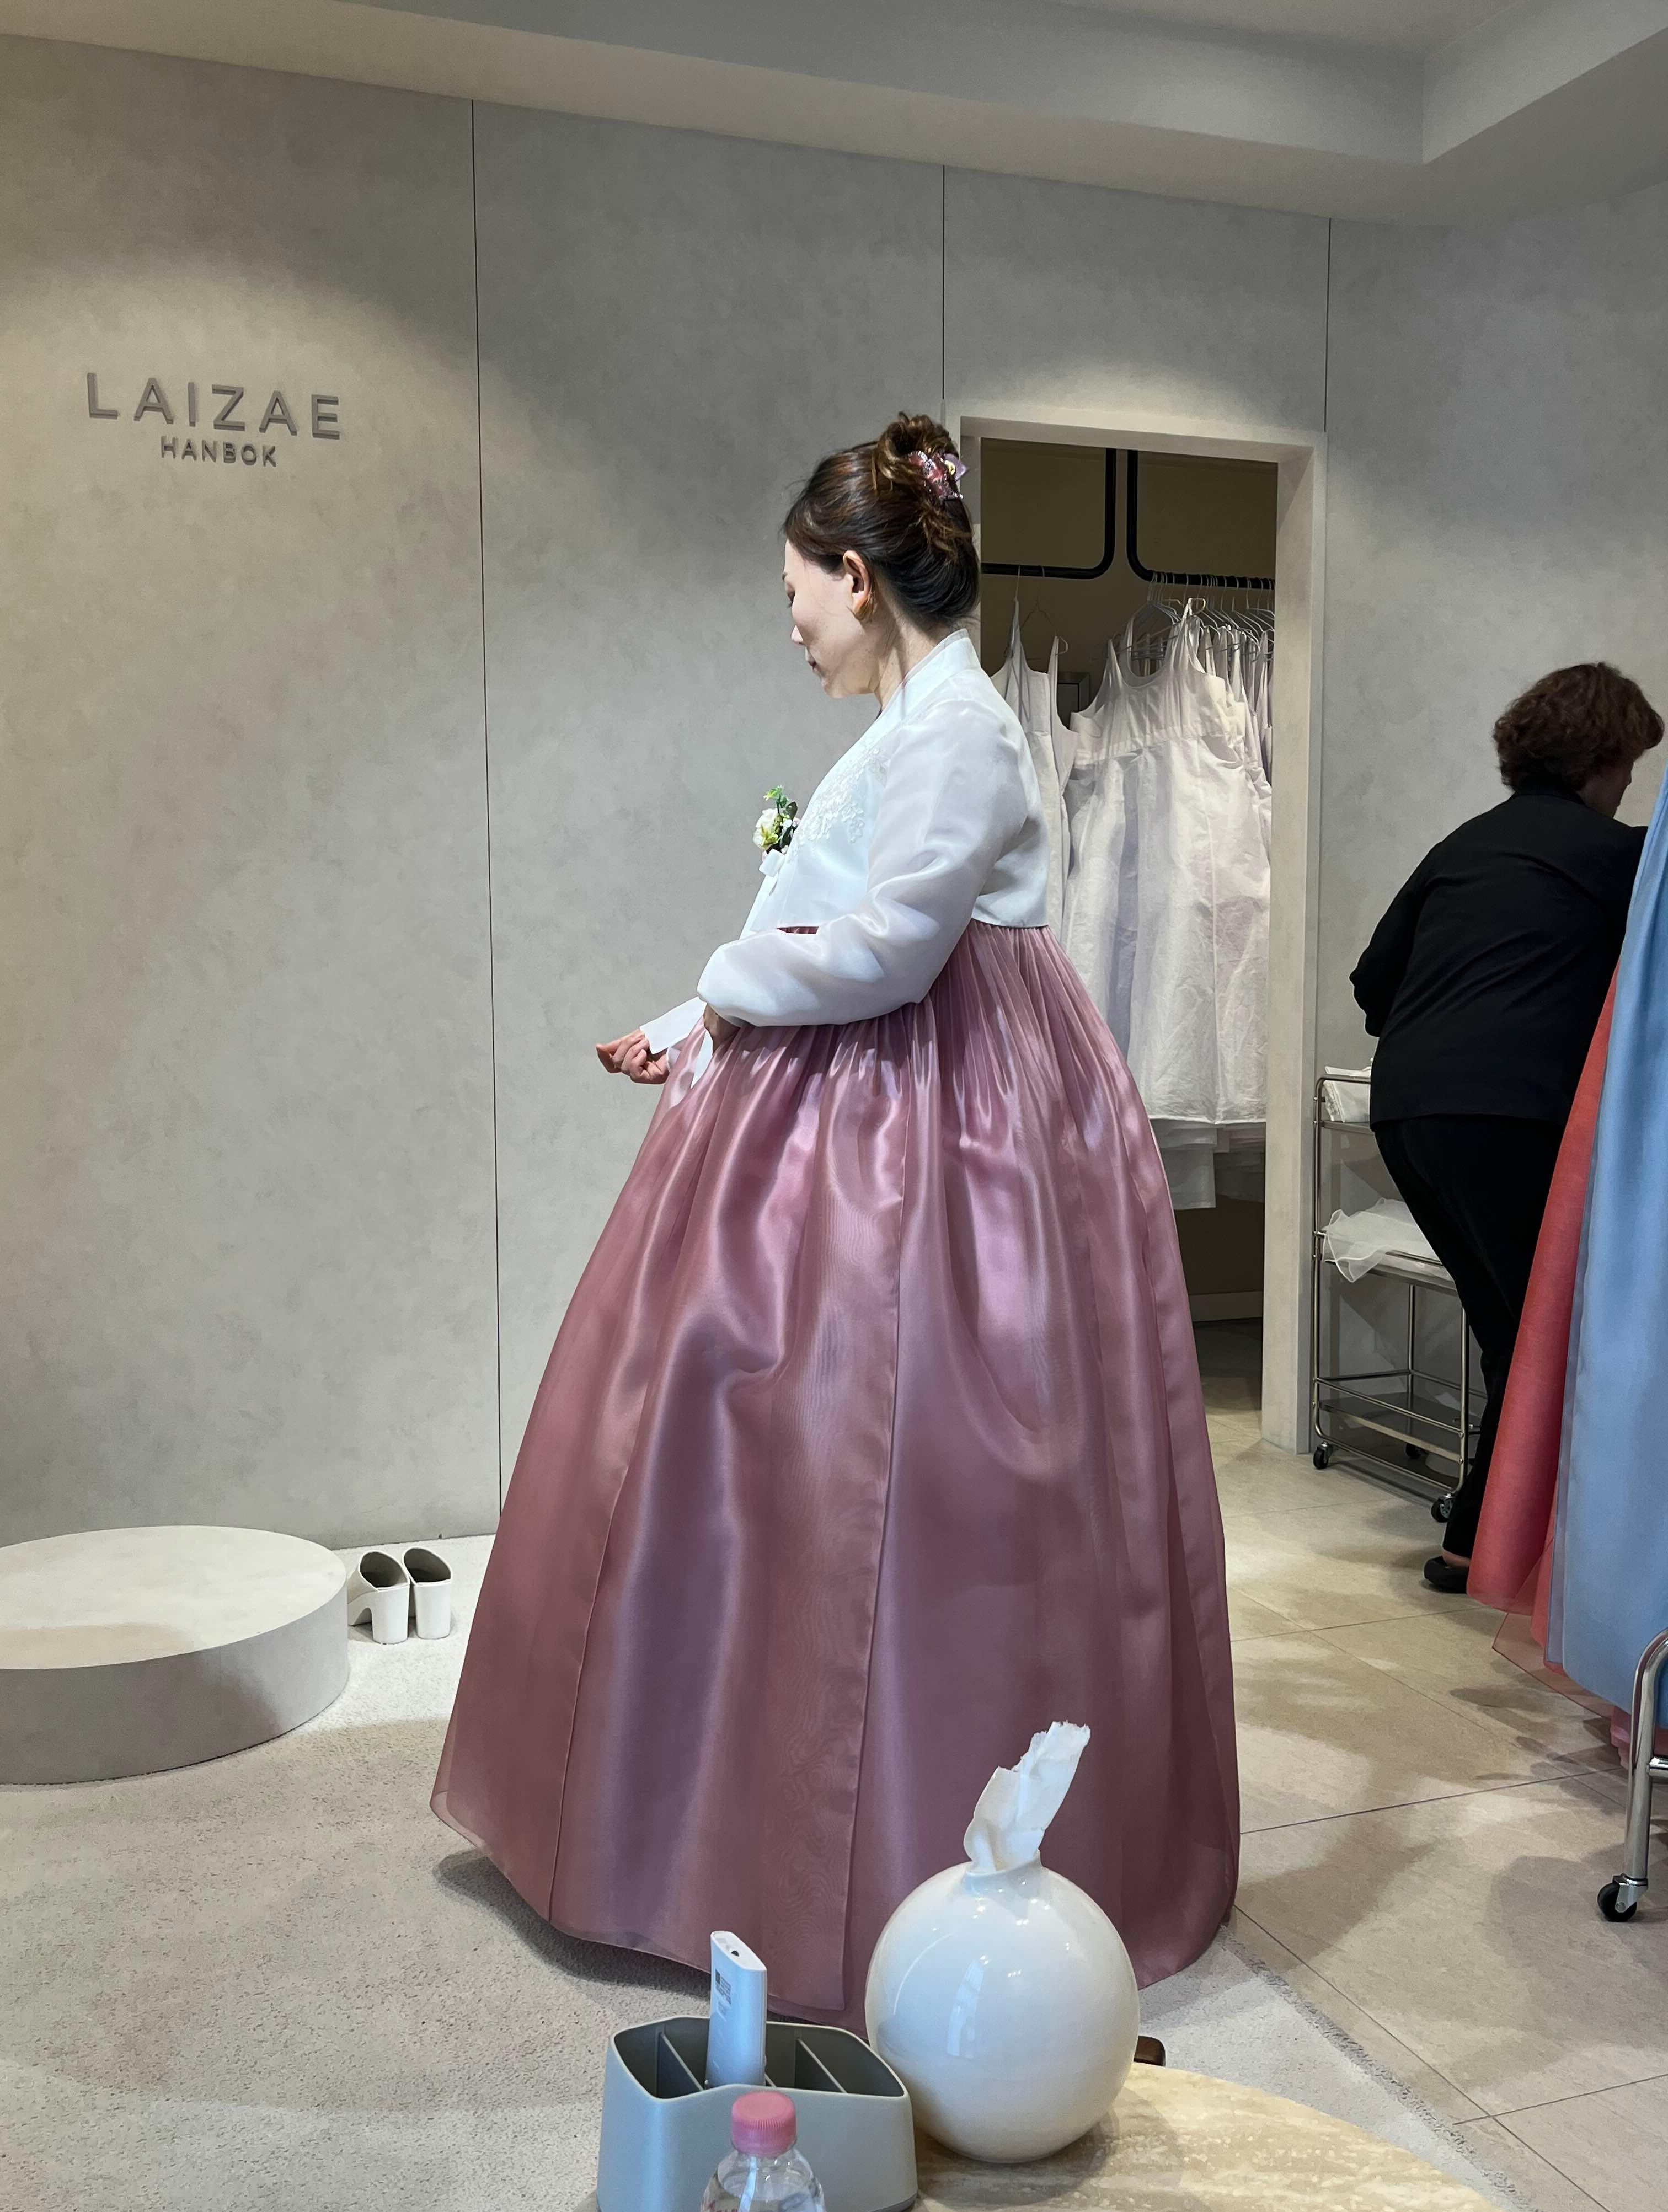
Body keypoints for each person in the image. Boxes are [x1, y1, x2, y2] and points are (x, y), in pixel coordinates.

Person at [433, 413, 1238, 2026]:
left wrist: (721, 984)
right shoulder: (923, 725)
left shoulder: (958, 734)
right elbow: (836, 921)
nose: (790, 622)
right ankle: (721, 1801)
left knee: (878, 1457)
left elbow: (885, 955)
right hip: (889, 1098)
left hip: (928, 1126)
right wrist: (699, 1018)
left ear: (859, 580)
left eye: (796, 590)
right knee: (766, 1440)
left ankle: (859, 1839)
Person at [1351, 663, 1661, 1594]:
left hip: (1408, 1109)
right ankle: (1563, 1567)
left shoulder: (1464, 845)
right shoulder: (1623, 858)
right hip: (1510, 1113)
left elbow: (1373, 985)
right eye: (1630, 766)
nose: (1630, 786)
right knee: (1550, 1333)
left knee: (1512, 1328)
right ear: (1602, 760)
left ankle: (1478, 1544)